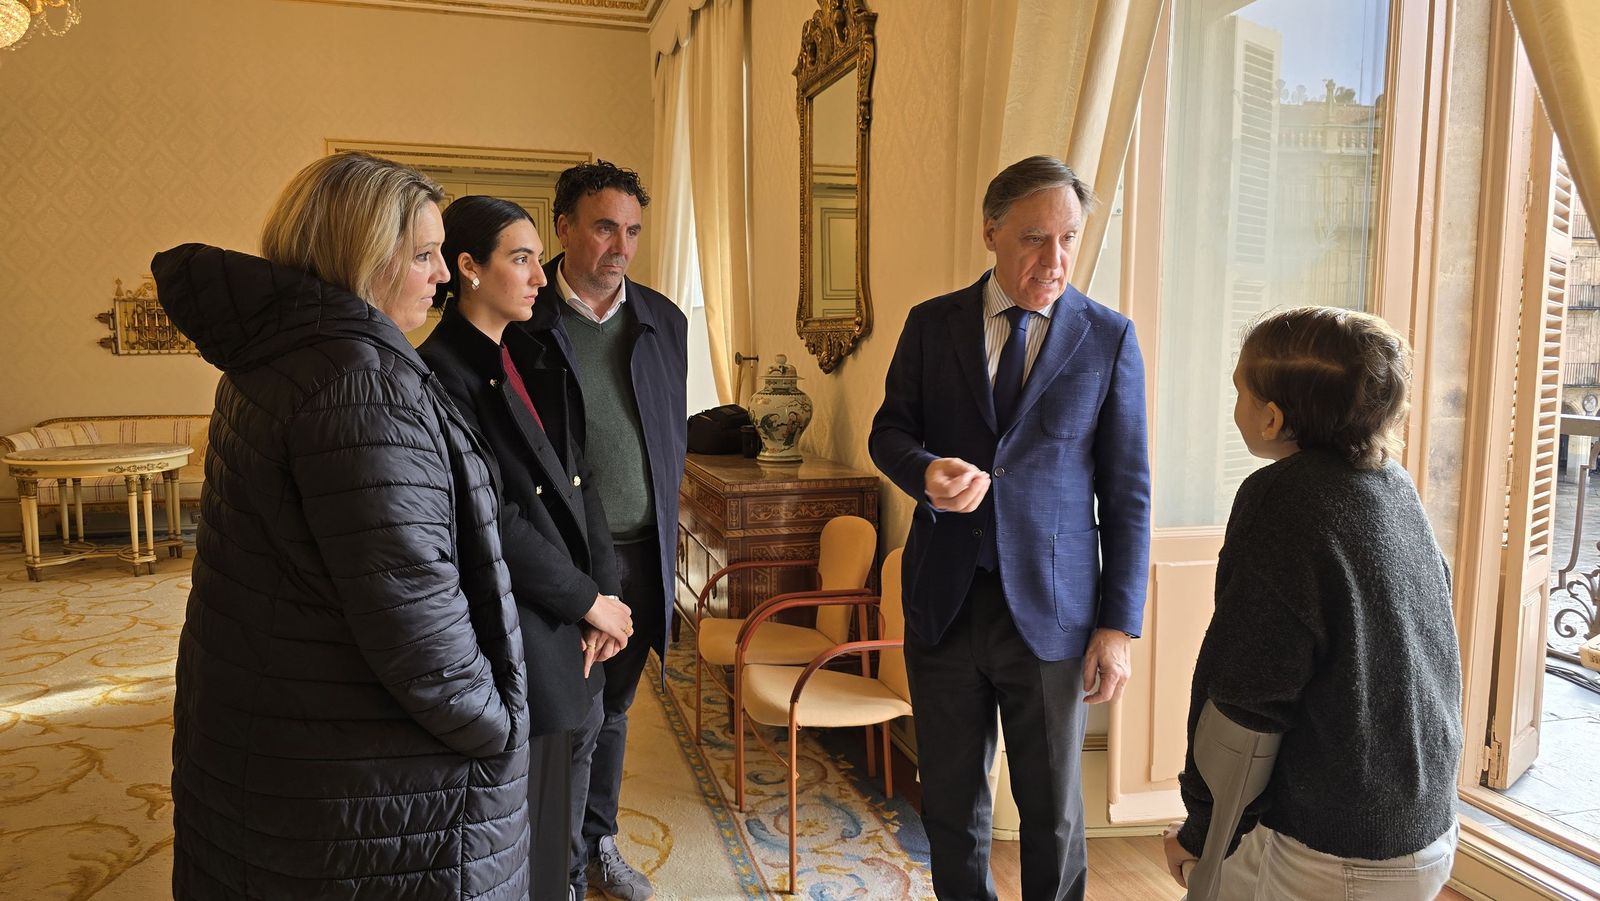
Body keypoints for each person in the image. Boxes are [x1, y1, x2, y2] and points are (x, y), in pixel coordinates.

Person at [152, 152, 530, 900]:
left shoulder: (276, 359)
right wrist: (499, 726)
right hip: (365, 772)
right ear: (366, 257)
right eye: (423, 254)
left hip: (284, 734)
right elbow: (416, 619)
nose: (443, 274)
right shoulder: (362, 384)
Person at [869, 154, 1151, 901]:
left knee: (1052, 812)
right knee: (952, 805)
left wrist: (1117, 627)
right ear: (991, 230)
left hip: (1055, 615)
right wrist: (926, 472)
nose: (1054, 260)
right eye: (1034, 238)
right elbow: (889, 432)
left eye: (1069, 238)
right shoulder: (932, 325)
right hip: (944, 600)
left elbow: (1128, 495)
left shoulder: (1109, 339)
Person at [1162, 306, 1462, 900]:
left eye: (1240, 394)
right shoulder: (1392, 485)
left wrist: (1200, 834)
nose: (1236, 410)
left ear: (1272, 418)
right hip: (1423, 824)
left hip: (1338, 849)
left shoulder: (1281, 498)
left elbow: (1246, 692)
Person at [416, 196, 637, 901]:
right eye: (520, 259)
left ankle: (569, 880)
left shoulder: (533, 353)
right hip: (523, 622)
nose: (540, 277)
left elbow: (583, 481)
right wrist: (585, 600)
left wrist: (606, 595)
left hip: (577, 616)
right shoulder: (439, 373)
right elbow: (491, 517)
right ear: (468, 268)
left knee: (573, 787)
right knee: (533, 816)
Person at [526, 160, 688, 901]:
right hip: (562, 561)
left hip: (642, 556)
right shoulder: (524, 322)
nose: (620, 246)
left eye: (631, 231)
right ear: (562, 227)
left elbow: (665, 438)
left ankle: (598, 845)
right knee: (566, 716)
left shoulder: (664, 320)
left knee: (616, 709)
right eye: (602, 227)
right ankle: (550, 863)